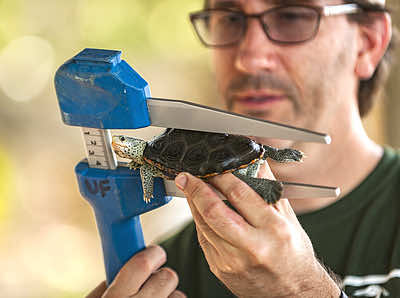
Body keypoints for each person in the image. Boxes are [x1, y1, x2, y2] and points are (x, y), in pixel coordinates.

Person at [88, 0, 399, 297]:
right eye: (230, 19)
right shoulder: (163, 274)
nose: (248, 59)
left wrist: (300, 292)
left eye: (291, 16)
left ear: (368, 43)